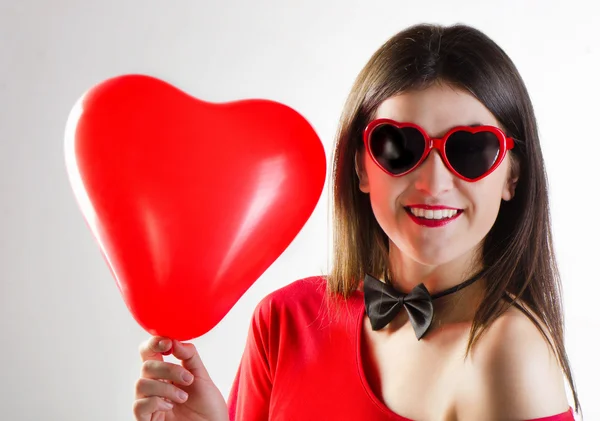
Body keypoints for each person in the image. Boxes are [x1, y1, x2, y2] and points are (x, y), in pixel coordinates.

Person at [132, 23, 582, 421]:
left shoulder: (510, 352)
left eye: (470, 149)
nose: (433, 183)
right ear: (362, 167)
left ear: (513, 176)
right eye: (399, 146)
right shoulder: (284, 321)